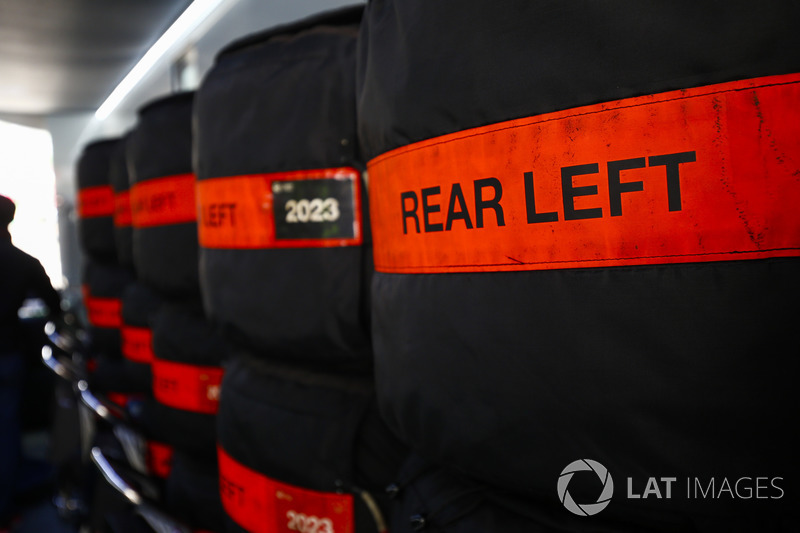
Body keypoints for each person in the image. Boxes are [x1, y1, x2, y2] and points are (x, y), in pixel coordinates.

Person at [0, 194, 61, 527]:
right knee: (7, 433)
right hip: (7, 357)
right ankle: (4, 510)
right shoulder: (24, 261)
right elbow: (55, 304)